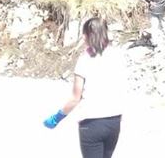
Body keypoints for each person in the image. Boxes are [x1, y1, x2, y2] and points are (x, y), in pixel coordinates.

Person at [44, 18, 125, 158]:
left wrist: (56, 118)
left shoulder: (85, 59)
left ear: (89, 35)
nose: (82, 37)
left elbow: (75, 98)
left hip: (92, 122)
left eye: (84, 34)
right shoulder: (118, 55)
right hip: (114, 121)